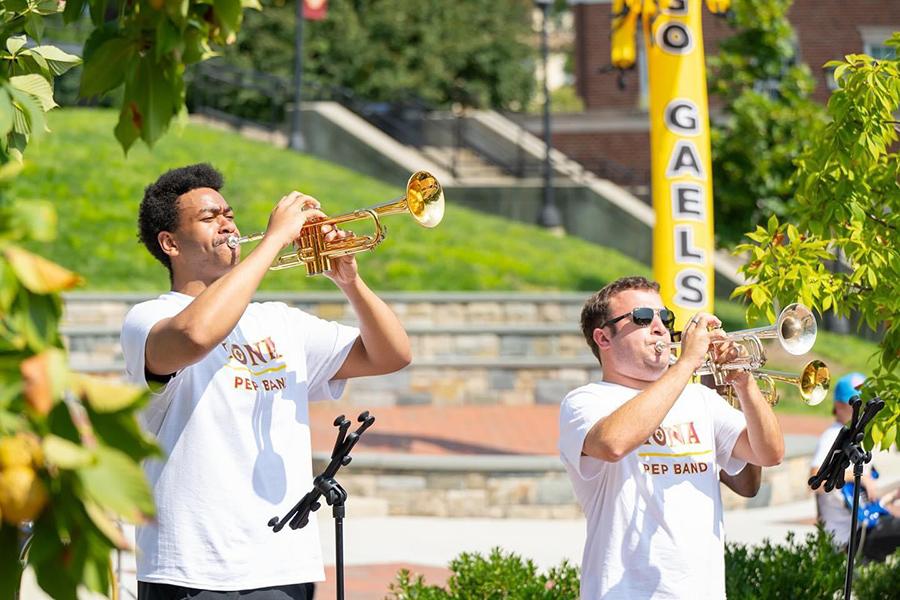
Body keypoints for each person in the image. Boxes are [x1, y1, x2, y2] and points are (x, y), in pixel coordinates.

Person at [121, 164, 411, 600]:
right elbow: (195, 336)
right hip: (191, 568)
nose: (227, 224)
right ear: (170, 243)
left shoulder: (278, 320)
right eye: (209, 217)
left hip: (283, 564)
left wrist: (350, 282)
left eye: (230, 214)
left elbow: (392, 355)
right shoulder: (148, 319)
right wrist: (275, 240)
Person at [558, 276, 784, 599]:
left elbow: (770, 453)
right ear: (603, 338)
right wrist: (688, 362)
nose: (660, 328)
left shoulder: (700, 401)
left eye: (664, 318)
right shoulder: (585, 402)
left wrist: (743, 381)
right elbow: (613, 443)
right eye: (642, 318)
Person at [809, 372, 900, 562]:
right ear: (840, 406)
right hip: (849, 536)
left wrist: (891, 498)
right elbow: (814, 481)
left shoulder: (857, 438)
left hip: (866, 527)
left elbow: (867, 504)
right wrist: (859, 477)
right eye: (859, 406)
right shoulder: (833, 436)